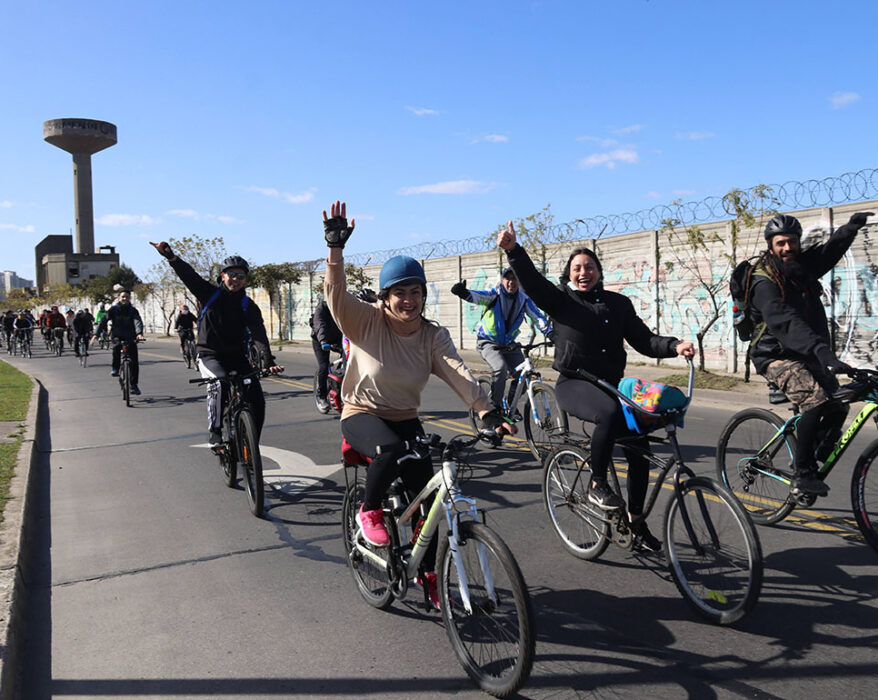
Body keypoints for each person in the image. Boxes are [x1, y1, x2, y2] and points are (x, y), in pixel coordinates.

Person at [321, 200, 514, 608]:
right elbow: (335, 296)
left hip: (405, 417)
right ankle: (369, 511)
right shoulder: (366, 320)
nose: (408, 300)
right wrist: (335, 250)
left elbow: (457, 371)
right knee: (388, 450)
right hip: (362, 412)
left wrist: (487, 410)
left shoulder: (431, 335)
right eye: (400, 293)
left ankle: (429, 577)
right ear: (385, 297)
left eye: (416, 292)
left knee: (427, 504)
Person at [498, 221, 695, 552]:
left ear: (599, 272)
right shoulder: (560, 300)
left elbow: (645, 340)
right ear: (569, 274)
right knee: (609, 413)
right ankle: (597, 483)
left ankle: (635, 522)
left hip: (612, 386)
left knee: (640, 450)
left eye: (589, 267)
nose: (583, 273)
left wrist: (675, 346)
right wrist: (513, 251)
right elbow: (532, 281)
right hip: (575, 383)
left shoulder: (619, 304)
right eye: (577, 268)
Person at [748, 211, 873, 496]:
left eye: (792, 241)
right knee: (814, 402)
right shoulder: (764, 281)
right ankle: (802, 474)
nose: (787, 248)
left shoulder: (799, 267)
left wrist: (850, 229)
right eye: (780, 243)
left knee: (839, 403)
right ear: (771, 245)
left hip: (805, 351)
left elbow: (828, 253)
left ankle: (812, 448)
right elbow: (785, 321)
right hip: (774, 354)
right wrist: (821, 350)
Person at [149, 241, 283, 445]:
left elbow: (258, 334)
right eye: (231, 275)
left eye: (241, 276)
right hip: (209, 355)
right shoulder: (210, 294)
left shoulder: (248, 306)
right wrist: (172, 258)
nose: (235, 279)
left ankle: (251, 443)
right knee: (219, 383)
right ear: (223, 276)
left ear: (245, 280)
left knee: (257, 398)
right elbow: (190, 276)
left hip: (236, 357)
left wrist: (268, 360)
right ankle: (215, 430)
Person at [451, 268, 552, 414]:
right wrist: (464, 293)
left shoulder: (523, 299)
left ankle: (511, 404)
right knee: (500, 368)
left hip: (508, 344)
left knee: (524, 375)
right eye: (508, 278)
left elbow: (537, 317)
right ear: (502, 280)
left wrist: (550, 333)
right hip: (488, 342)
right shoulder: (494, 295)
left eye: (515, 278)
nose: (511, 282)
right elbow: (478, 297)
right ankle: (495, 406)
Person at [94, 291, 146, 394]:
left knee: (134, 362)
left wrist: (139, 333)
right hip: (117, 336)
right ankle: (115, 368)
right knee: (116, 348)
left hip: (130, 337)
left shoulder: (133, 310)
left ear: (129, 298)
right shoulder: (113, 310)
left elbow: (137, 321)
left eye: (127, 297)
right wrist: (96, 333)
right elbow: (103, 321)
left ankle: (134, 385)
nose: (125, 298)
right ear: (119, 298)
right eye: (123, 297)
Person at [310, 296, 344, 414]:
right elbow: (320, 324)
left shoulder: (344, 308)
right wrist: (323, 341)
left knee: (350, 361)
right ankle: (322, 396)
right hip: (320, 340)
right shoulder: (323, 307)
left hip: (338, 339)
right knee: (324, 366)